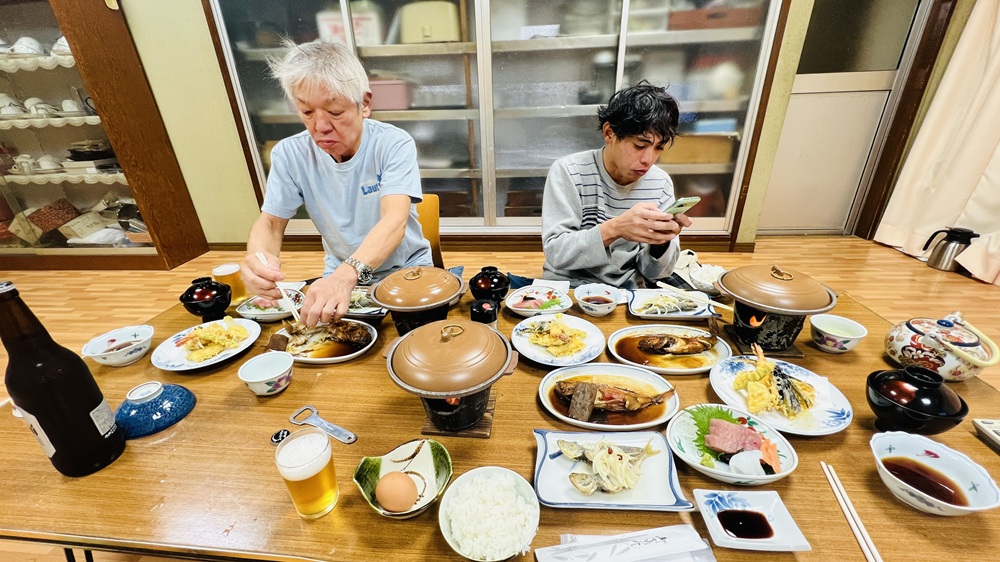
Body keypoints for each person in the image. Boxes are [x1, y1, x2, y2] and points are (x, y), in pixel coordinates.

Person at [242, 40, 432, 327]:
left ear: (364, 103)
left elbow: (394, 221)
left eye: (334, 112)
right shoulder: (289, 154)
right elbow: (270, 223)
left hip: (406, 270)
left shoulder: (393, 143)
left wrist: (346, 277)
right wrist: (259, 262)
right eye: (307, 112)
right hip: (340, 273)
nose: (320, 126)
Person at [540, 80, 691, 289]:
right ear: (609, 132)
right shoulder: (569, 171)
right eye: (640, 145)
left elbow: (656, 274)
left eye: (659, 147)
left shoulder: (660, 182)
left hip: (626, 290)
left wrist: (661, 242)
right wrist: (617, 228)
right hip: (569, 287)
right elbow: (557, 253)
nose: (648, 159)